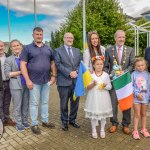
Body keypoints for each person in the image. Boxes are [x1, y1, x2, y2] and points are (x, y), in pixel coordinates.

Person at [20, 27, 57, 134]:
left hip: (46, 80)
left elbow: (52, 63)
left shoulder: (48, 48)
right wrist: (27, 80)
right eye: (37, 34)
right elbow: (23, 64)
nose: (39, 36)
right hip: (33, 81)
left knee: (45, 102)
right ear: (33, 35)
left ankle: (45, 121)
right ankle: (34, 124)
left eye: (41, 34)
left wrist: (54, 76)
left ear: (43, 35)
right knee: (34, 103)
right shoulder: (27, 48)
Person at [104, 30, 135, 134]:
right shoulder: (108, 50)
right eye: (119, 37)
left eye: (123, 37)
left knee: (126, 103)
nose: (122, 39)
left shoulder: (130, 50)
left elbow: (132, 65)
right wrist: (108, 75)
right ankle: (114, 124)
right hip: (113, 82)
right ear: (115, 38)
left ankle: (126, 124)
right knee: (113, 104)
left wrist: (124, 71)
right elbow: (106, 66)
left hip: (125, 83)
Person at [54, 32, 81, 131]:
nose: (70, 39)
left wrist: (76, 71)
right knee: (64, 103)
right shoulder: (57, 51)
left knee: (75, 103)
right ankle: (64, 122)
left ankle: (72, 120)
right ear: (64, 39)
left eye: (71, 38)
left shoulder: (77, 51)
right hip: (64, 82)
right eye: (68, 37)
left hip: (76, 82)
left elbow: (80, 64)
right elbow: (58, 64)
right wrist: (69, 73)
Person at [84, 56, 113, 139]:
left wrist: (105, 86)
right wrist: (93, 84)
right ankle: (93, 130)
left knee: (103, 115)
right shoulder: (91, 75)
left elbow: (110, 87)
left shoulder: (106, 75)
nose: (99, 66)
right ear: (93, 65)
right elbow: (87, 87)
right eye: (97, 64)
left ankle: (102, 129)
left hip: (103, 98)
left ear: (103, 65)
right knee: (94, 115)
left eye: (101, 64)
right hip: (94, 98)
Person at [4, 39, 29, 132]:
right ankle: (18, 123)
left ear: (21, 46)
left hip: (26, 84)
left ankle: (25, 120)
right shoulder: (9, 59)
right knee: (17, 105)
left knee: (25, 104)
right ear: (11, 48)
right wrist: (21, 72)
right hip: (15, 85)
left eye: (18, 45)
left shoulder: (25, 57)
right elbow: (7, 74)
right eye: (14, 46)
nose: (16, 47)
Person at [131, 57, 150, 140]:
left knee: (144, 114)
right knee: (137, 114)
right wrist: (137, 94)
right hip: (136, 98)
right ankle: (135, 130)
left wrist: (148, 97)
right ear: (135, 66)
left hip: (145, 98)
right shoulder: (133, 74)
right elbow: (131, 86)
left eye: (142, 65)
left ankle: (143, 129)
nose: (140, 67)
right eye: (138, 66)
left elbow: (149, 87)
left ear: (145, 65)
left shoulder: (147, 74)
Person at [0, 40, 16, 126]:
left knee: (7, 102)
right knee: (0, 103)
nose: (0, 48)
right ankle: (1, 121)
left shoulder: (8, 56)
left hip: (8, 83)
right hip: (0, 84)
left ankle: (7, 118)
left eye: (2, 46)